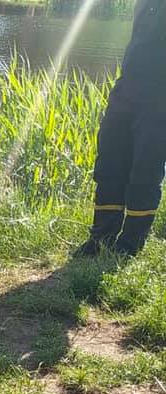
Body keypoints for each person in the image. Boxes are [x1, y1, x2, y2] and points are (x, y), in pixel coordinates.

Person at [74, 0, 165, 257]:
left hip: (160, 99)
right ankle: (101, 238)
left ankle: (130, 244)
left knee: (145, 170)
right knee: (109, 163)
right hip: (126, 90)